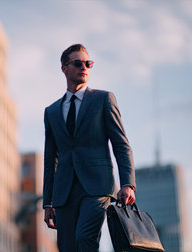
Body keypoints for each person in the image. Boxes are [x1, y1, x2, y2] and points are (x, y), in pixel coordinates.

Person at [42, 44, 136, 251]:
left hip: (97, 187)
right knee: (67, 246)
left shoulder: (103, 99)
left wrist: (128, 183)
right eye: (78, 63)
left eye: (88, 63)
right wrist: (47, 202)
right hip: (64, 191)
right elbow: (51, 159)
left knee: (85, 238)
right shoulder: (52, 112)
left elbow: (121, 144)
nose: (84, 67)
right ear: (64, 68)